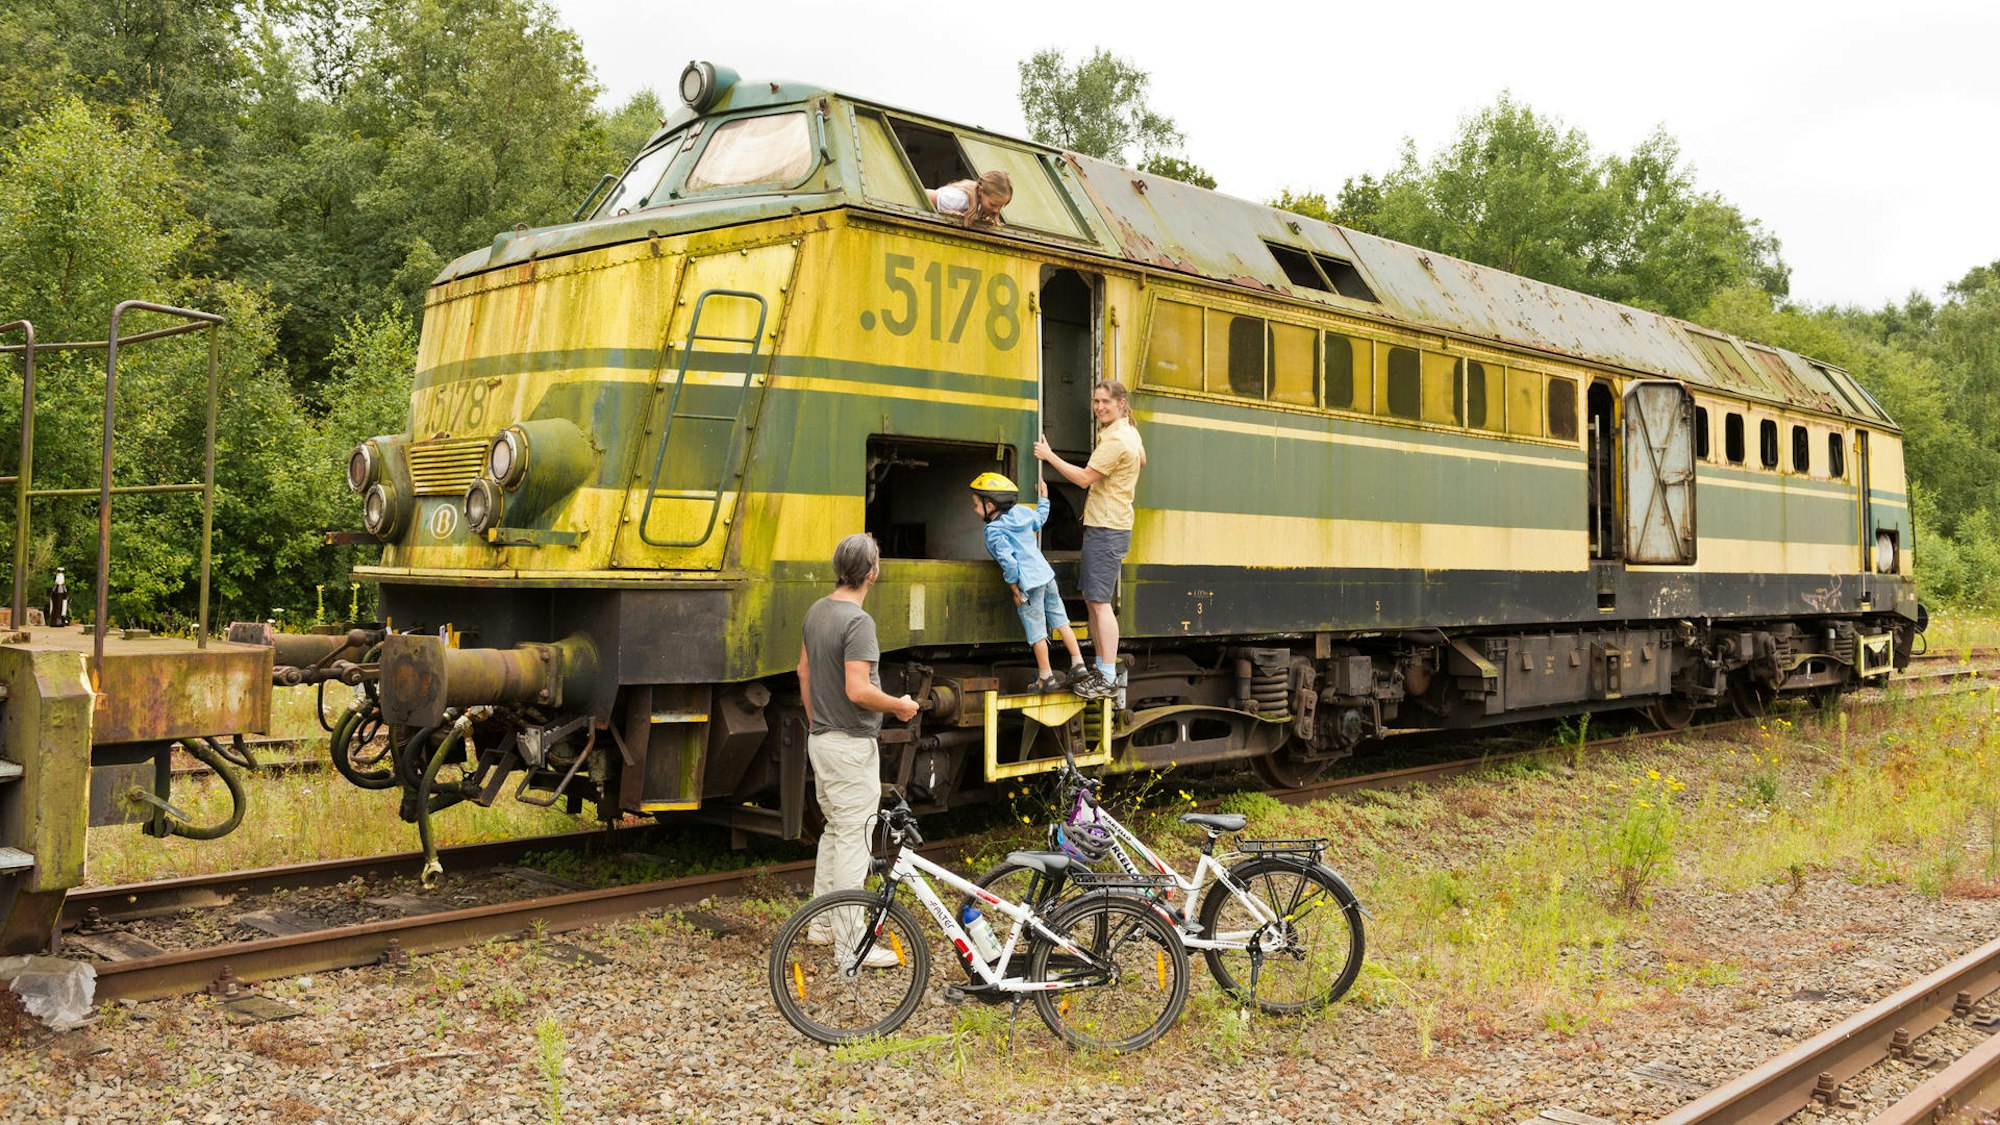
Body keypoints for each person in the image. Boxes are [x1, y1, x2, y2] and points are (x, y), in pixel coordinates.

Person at [796, 533, 919, 963]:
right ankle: (852, 947)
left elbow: (803, 671)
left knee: (835, 831)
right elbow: (858, 690)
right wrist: (899, 705)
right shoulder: (857, 622)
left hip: (823, 740)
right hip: (849, 744)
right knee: (853, 840)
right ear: (872, 572)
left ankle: (822, 925)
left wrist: (815, 722)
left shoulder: (817, 611)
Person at [1034, 380, 1145, 701]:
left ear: (1121, 404)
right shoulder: (1127, 432)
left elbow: (1083, 479)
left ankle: (1107, 675)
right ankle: (1103, 670)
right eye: (1096, 401)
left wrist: (1049, 455)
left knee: (1099, 603)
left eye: (1105, 402)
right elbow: (1142, 459)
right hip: (1109, 525)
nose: (1099, 407)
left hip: (1107, 528)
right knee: (1094, 601)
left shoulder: (1117, 440)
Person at [970, 471, 1089, 694]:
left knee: (1037, 632)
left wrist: (1015, 589)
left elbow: (1009, 563)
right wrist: (1044, 498)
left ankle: (1046, 676)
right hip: (1046, 575)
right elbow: (1040, 518)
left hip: (1029, 583)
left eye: (977, 504)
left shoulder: (994, 530)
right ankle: (1078, 664)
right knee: (1061, 621)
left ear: (990, 504)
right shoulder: (1022, 514)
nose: (975, 510)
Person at [925, 169, 1012, 227]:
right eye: (993, 204)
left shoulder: (981, 205)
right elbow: (925, 195)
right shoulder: (959, 199)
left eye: (1001, 206)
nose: (996, 210)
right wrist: (941, 212)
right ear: (980, 191)